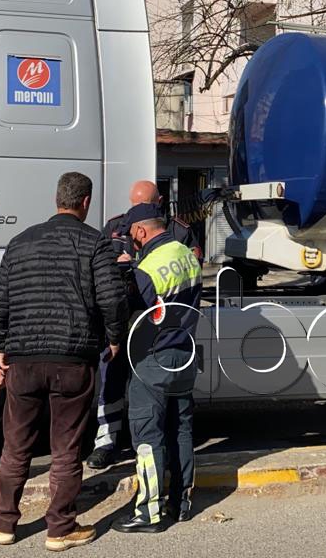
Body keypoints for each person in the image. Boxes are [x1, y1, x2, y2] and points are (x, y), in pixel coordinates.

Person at [0, 172, 128, 550]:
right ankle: (60, 528)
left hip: (24, 359)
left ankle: (2, 523)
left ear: (56, 199)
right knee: (66, 448)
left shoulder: (19, 242)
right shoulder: (95, 243)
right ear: (86, 202)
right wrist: (114, 339)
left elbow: (0, 300)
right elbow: (113, 299)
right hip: (73, 358)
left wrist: (0, 343)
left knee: (16, 445)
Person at [90, 180, 202, 470]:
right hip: (125, 323)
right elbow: (100, 266)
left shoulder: (180, 231)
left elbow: (189, 269)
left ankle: (153, 470)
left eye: (145, 205)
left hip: (156, 331)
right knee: (111, 380)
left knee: (154, 416)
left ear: (160, 202)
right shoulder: (117, 225)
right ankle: (107, 440)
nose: (137, 210)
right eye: (134, 204)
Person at [113, 202, 203, 534]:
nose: (130, 242)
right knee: (181, 429)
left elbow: (132, 304)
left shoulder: (147, 267)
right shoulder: (187, 253)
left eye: (131, 236)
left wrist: (126, 271)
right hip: (185, 353)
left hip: (153, 356)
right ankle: (181, 504)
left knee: (147, 435)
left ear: (140, 231)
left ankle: (149, 513)